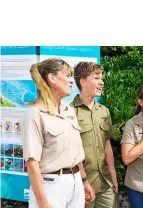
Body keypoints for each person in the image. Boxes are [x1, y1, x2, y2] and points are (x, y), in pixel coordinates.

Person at [22, 58, 94, 208]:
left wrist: (84, 181)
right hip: (52, 186)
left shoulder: (69, 110)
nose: (71, 81)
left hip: (75, 183)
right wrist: (42, 202)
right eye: (67, 76)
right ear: (52, 78)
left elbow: (75, 153)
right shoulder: (35, 114)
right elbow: (32, 163)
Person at [71, 62, 118, 208]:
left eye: (102, 78)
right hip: (81, 183)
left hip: (105, 182)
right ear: (83, 81)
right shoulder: (69, 112)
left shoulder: (104, 111)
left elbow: (107, 145)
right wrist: (84, 181)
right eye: (97, 78)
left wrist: (114, 177)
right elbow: (72, 150)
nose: (102, 82)